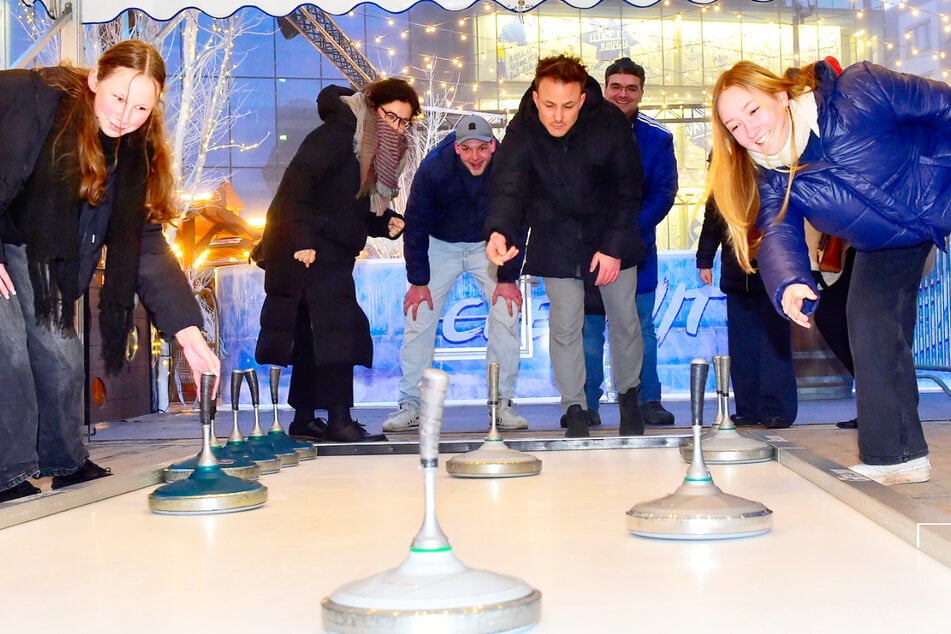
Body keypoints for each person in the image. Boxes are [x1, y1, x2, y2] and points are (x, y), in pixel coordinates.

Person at [709, 58, 951, 484]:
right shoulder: (773, 176)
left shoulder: (860, 91)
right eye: (734, 126)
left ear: (781, 96)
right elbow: (778, 232)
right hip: (888, 240)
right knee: (868, 319)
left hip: (943, 192)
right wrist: (790, 282)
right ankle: (895, 457)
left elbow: (943, 106)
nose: (749, 132)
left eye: (752, 111)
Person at [0, 41, 219, 504]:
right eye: (118, 98)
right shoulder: (32, 99)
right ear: (95, 80)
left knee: (60, 354)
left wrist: (189, 333)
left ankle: (64, 461)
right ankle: (7, 471)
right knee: (9, 350)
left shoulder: (135, 157)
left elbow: (144, 244)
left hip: (41, 252)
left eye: (141, 107)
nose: (125, 116)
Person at [484, 54, 645, 438]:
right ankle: (574, 407)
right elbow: (509, 187)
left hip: (610, 231)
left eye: (569, 106)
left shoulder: (610, 123)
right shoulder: (522, 131)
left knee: (624, 320)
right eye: (550, 105)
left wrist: (614, 247)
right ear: (537, 98)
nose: (558, 116)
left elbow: (629, 190)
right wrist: (499, 232)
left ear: (583, 100)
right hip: (555, 234)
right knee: (565, 324)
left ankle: (630, 399)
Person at [254, 78, 419, 443]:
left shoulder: (368, 147)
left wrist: (381, 222)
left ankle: (304, 418)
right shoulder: (336, 135)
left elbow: (347, 203)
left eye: (404, 122)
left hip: (328, 248)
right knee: (337, 329)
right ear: (374, 109)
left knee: (312, 334)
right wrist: (301, 240)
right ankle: (340, 420)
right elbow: (295, 188)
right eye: (391, 117)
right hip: (307, 246)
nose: (396, 127)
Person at [382, 115, 528, 432]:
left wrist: (507, 278)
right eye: (467, 149)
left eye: (481, 148)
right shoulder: (433, 168)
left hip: (489, 243)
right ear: (457, 149)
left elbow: (518, 220)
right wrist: (418, 282)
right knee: (419, 316)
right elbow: (416, 226)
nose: (475, 156)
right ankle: (411, 404)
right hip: (440, 243)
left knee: (506, 311)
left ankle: (500, 405)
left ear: (493, 145)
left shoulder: (508, 167)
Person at [579, 58, 679, 427]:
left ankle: (648, 400)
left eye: (631, 88)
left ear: (641, 92)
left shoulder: (658, 138)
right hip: (589, 250)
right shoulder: (580, 131)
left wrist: (625, 234)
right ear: (605, 88)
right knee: (589, 328)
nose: (622, 94)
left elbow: (664, 193)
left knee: (640, 326)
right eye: (616, 86)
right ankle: (587, 404)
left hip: (638, 248)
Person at [697, 195, 797, 429]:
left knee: (774, 345)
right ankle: (747, 408)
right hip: (737, 272)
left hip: (774, 273)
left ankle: (777, 409)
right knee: (742, 346)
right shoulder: (724, 178)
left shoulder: (775, 173)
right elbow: (713, 219)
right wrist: (704, 259)